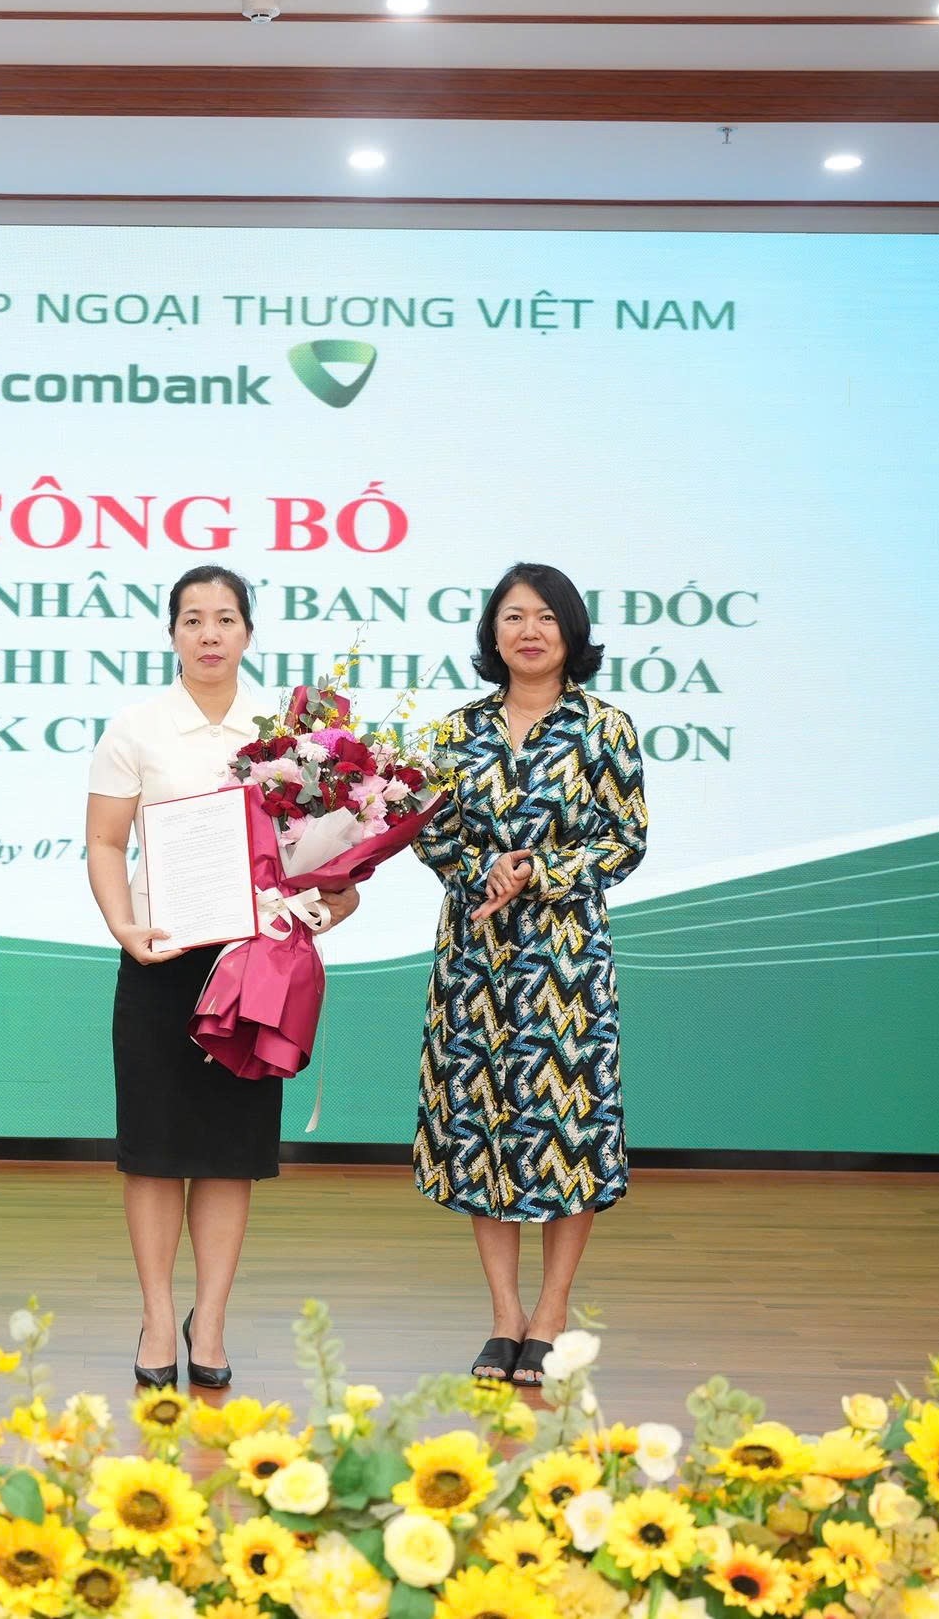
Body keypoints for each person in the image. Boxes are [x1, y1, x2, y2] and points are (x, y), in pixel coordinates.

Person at [84, 566, 357, 1392]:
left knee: (228, 1155)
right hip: (162, 958)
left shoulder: (290, 739)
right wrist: (123, 926)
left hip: (254, 966)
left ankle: (211, 1319)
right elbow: (105, 842)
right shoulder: (137, 727)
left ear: (247, 632)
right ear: (172, 633)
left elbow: (323, 861)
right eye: (193, 618)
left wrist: (327, 903)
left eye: (226, 618)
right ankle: (157, 1317)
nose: (209, 633)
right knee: (154, 1153)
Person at [412, 561, 647, 1389]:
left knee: (567, 1131)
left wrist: (540, 870)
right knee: (482, 1129)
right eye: (513, 616)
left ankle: (550, 1313)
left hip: (565, 963)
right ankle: (504, 1315)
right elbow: (429, 832)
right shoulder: (456, 731)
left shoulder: (605, 727)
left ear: (570, 630)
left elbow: (625, 839)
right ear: (493, 633)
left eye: (546, 616)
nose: (530, 631)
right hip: (474, 958)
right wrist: (482, 868)